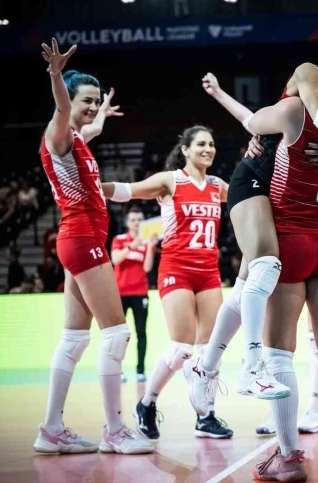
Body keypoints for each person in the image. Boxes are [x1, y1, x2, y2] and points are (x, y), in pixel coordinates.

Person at [186, 17, 318, 410]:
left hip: (288, 190)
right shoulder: (312, 75)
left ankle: (205, 366)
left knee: (246, 286)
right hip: (257, 176)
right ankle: (251, 367)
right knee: (265, 266)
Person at [34, 38, 152, 455]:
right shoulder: (58, 133)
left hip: (78, 240)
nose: (91, 106)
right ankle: (115, 431)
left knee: (74, 339)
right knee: (117, 334)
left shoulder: (78, 138)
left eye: (96, 100)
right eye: (86, 100)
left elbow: (91, 127)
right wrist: (55, 75)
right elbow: (63, 110)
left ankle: (51, 429)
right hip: (83, 239)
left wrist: (101, 113)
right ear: (67, 100)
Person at [102, 126, 233, 440]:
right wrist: (91, 184)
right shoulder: (170, 181)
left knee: (210, 351)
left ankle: (206, 417)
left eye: (212, 144)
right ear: (185, 149)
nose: (208, 149)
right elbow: (128, 190)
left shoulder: (217, 186)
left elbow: (250, 197)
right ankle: (147, 403)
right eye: (201, 144)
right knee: (182, 349)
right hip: (177, 270)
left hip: (209, 272)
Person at [111, 207, 157, 383]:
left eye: (140, 220)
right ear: (127, 223)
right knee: (119, 334)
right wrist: (131, 246)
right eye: (133, 220)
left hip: (140, 293)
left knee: (141, 333)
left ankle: (140, 371)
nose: (137, 223)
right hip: (120, 293)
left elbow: (147, 267)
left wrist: (150, 247)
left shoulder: (147, 242)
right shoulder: (119, 239)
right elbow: (115, 259)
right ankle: (118, 370)